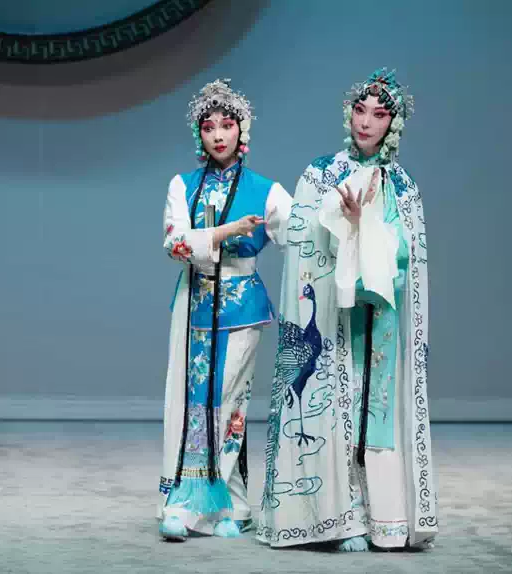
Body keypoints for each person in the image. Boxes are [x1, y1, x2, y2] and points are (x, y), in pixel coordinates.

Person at [257, 68, 437, 551]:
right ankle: (338, 520)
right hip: (333, 316)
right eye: (360, 110)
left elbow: (406, 254)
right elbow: (305, 249)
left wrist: (366, 227)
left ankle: (385, 520)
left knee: (374, 411)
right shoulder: (321, 174)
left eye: (379, 115)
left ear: (393, 125)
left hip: (380, 315)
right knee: (333, 408)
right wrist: (347, 229)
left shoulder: (401, 185)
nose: (366, 122)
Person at [157, 79, 292, 541]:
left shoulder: (266, 190)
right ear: (200, 134)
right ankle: (221, 504)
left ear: (242, 131)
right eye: (209, 126)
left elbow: (303, 233)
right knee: (195, 401)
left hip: (242, 305)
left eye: (228, 125)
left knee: (228, 401)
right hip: (195, 301)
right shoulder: (183, 185)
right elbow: (175, 243)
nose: (218, 134)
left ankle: (201, 506)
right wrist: (223, 232)